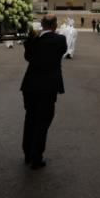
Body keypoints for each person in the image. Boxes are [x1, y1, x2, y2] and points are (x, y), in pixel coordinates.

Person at [20, 14, 67, 169]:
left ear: (42, 25)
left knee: (30, 118)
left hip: (30, 84)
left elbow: (28, 57)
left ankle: (27, 152)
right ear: (54, 25)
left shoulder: (33, 39)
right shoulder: (60, 40)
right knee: (43, 121)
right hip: (48, 86)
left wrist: (33, 38)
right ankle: (36, 156)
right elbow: (61, 52)